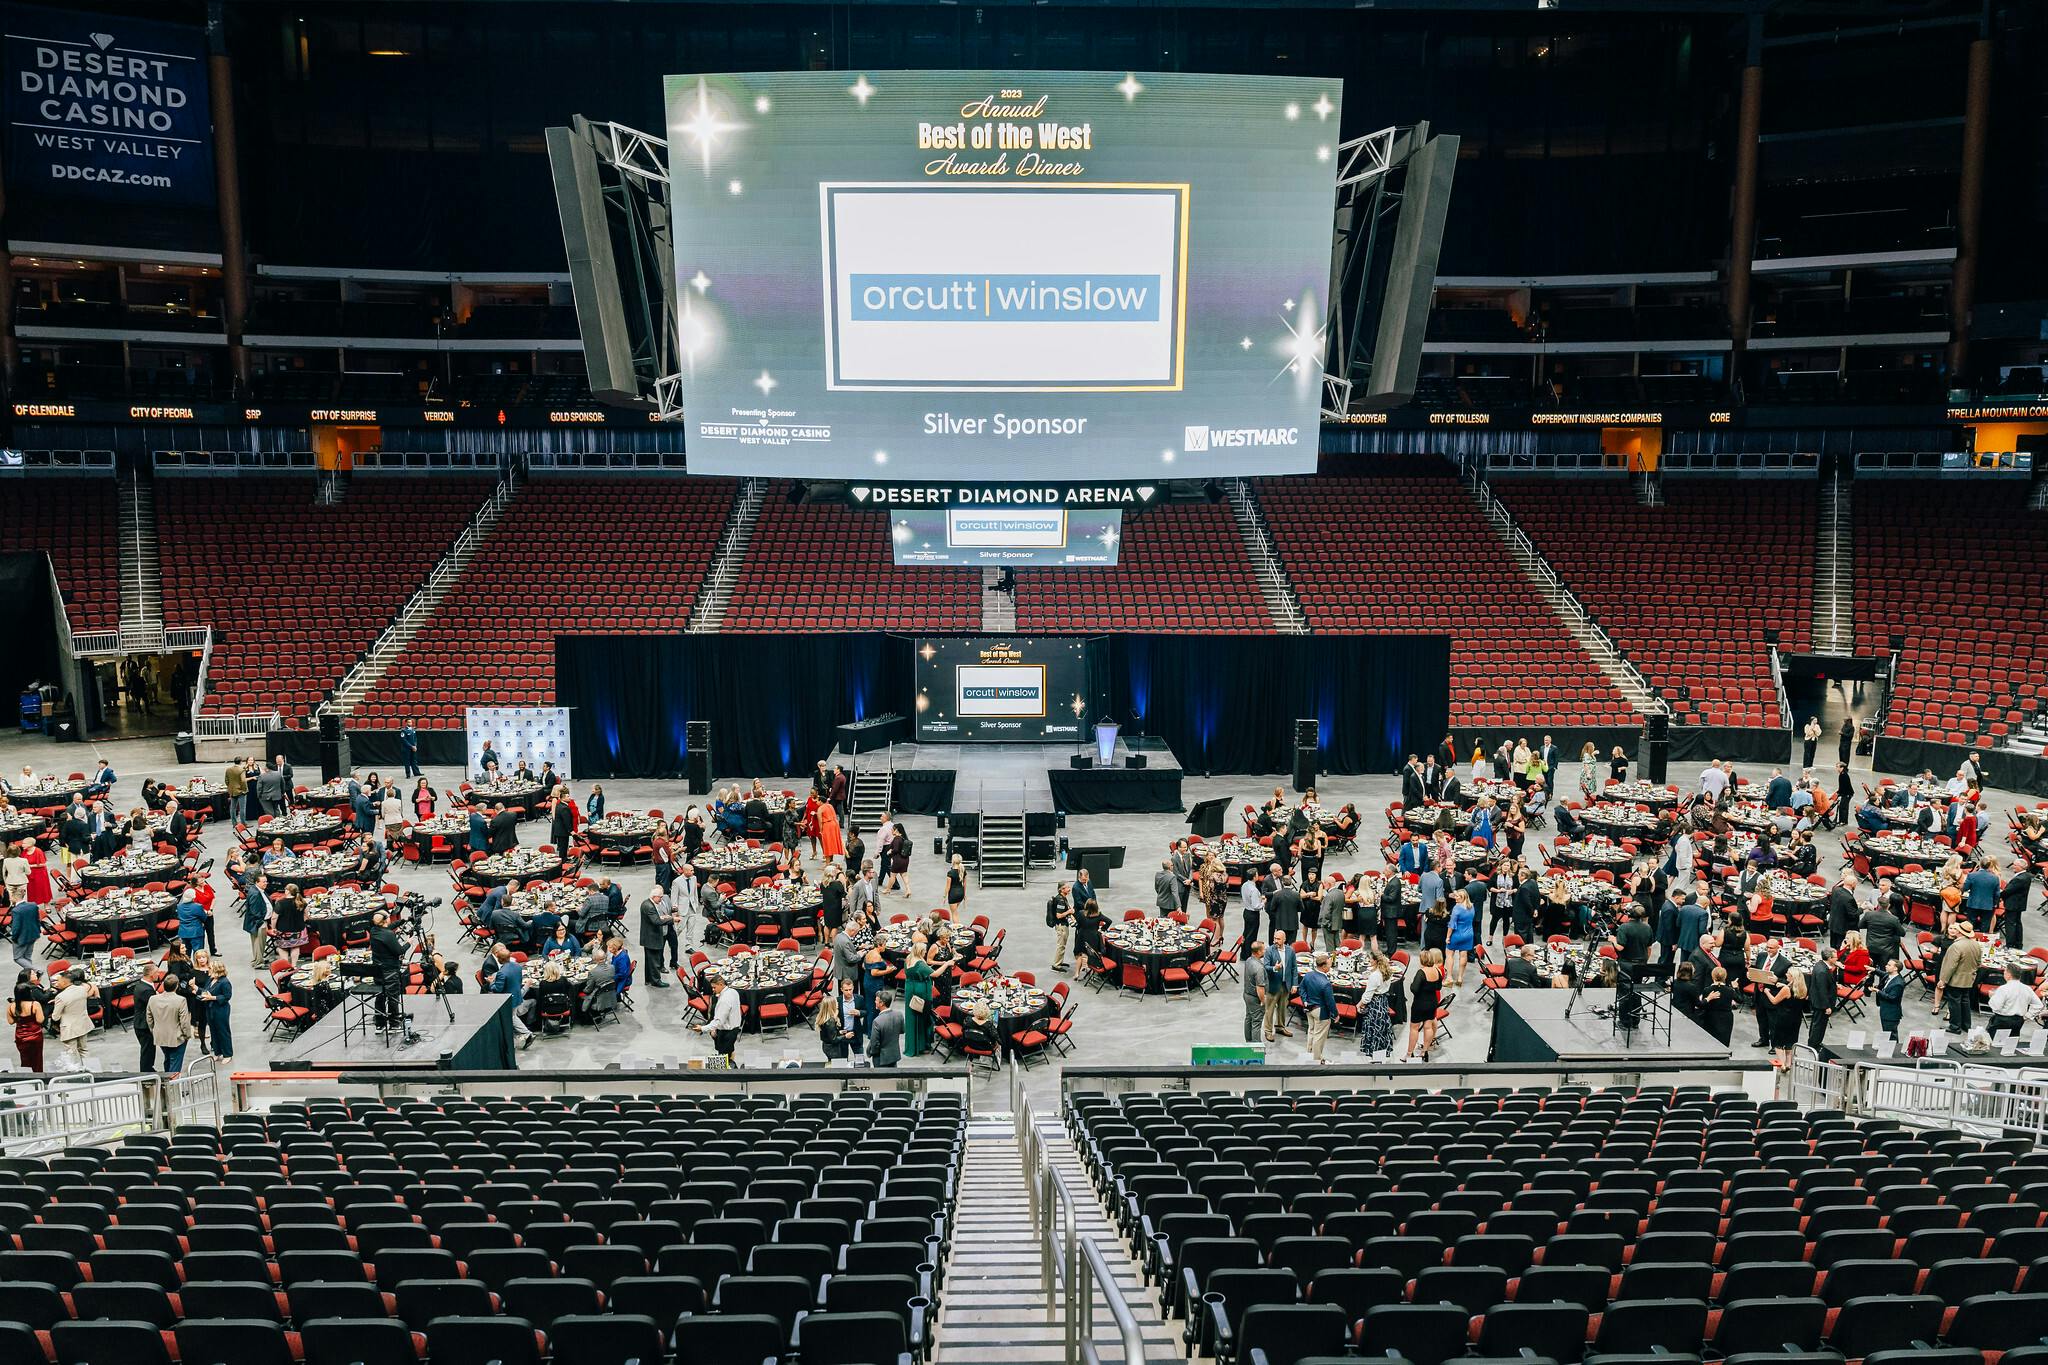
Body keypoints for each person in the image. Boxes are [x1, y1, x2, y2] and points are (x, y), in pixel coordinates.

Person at [1934, 922, 1983, 1035]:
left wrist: (1943, 980)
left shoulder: (1956, 946)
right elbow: (1979, 963)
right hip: (1969, 979)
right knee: (1965, 1001)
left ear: (1960, 932)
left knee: (1954, 1002)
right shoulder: (1976, 944)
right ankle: (1966, 1025)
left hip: (1956, 979)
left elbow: (1950, 965)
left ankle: (1955, 1026)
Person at [49, 969, 98, 1071]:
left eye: (58, 981)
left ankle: (75, 1072)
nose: (56, 983)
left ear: (64, 982)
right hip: (83, 1023)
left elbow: (55, 1017)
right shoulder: (81, 990)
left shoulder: (60, 997)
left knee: (70, 1053)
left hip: (69, 1028)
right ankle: (90, 1070)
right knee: (84, 1049)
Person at [1402, 949, 1444, 1062]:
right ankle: (1424, 1052)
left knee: (1414, 1028)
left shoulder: (1421, 972)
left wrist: (1411, 984)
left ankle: (1409, 1054)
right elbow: (1438, 987)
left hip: (1420, 1003)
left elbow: (1414, 989)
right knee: (1428, 1027)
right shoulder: (1438, 971)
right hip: (1432, 1002)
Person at [1298, 953, 1336, 1063]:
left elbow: (1302, 989)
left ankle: (1309, 1054)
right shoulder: (1326, 983)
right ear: (1323, 967)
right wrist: (1336, 1014)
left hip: (1309, 1009)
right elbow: (1330, 1002)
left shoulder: (1308, 975)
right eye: (1329, 965)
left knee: (1311, 1032)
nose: (1330, 967)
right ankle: (1316, 1060)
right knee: (1319, 1037)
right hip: (1321, 1011)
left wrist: (1305, 1001)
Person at [1987, 964, 2040, 1037]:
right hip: (2018, 1021)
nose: (2004, 973)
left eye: (2005, 971)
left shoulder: (2004, 989)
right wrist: (2027, 1016)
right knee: (2011, 1043)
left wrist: (1992, 997)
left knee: (1995, 1042)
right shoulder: (2027, 989)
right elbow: (2038, 1005)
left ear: (2009, 975)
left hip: (2002, 1020)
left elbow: (1996, 1007)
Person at [8, 976, 46, 1073]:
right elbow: (40, 1020)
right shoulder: (35, 1004)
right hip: (35, 1035)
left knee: (24, 1058)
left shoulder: (12, 1006)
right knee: (37, 1058)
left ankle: (26, 1076)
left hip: (20, 1035)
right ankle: (38, 1077)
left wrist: (20, 1019)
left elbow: (11, 1021)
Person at [638, 887, 674, 987]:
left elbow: (653, 919)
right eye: (660, 898)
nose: (661, 900)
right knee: (655, 961)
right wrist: (672, 919)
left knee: (649, 960)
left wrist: (661, 917)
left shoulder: (646, 903)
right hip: (652, 937)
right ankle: (656, 981)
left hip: (648, 937)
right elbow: (656, 922)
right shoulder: (649, 906)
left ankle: (649, 979)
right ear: (654, 897)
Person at [903, 948, 935, 1057]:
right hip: (921, 992)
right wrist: (947, 964)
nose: (926, 952)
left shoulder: (908, 958)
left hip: (910, 989)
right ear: (920, 951)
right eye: (924, 951)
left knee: (912, 1018)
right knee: (923, 1018)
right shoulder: (920, 964)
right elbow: (935, 974)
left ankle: (917, 1045)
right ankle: (923, 1045)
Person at [1445, 889, 1475, 987]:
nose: (1455, 897)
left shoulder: (1457, 908)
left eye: (1457, 896)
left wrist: (1448, 937)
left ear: (1462, 898)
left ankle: (1449, 977)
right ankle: (1460, 977)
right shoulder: (1471, 907)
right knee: (1463, 955)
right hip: (1468, 934)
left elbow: (1452, 925)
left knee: (1449, 954)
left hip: (1457, 934)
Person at [1698, 965, 1735, 1045]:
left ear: (1712, 976)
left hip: (1710, 1016)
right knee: (1724, 1038)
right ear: (1725, 977)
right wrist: (1736, 988)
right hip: (1726, 1017)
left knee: (1710, 1039)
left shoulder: (1707, 990)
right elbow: (1740, 999)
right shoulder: (1730, 990)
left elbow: (1704, 1005)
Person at [1875, 956, 1909, 1038]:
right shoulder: (1890, 976)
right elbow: (1883, 973)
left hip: (1891, 1014)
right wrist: (1874, 970)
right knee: (1886, 1033)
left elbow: (1891, 997)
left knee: (1891, 1035)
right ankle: (1887, 1048)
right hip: (1885, 1011)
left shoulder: (1898, 983)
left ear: (1895, 969)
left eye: (1889, 965)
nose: (1886, 966)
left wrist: (1878, 991)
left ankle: (1893, 1049)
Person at [867, 989, 904, 1067]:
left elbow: (874, 1044)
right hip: (894, 1056)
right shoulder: (899, 1015)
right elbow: (902, 1031)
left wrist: (872, 1052)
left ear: (882, 1003)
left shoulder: (877, 1021)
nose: (874, 1002)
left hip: (881, 1058)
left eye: (876, 1000)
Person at [1241, 938, 1267, 1044]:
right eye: (1263, 950)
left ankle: (1248, 1041)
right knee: (1256, 1021)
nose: (1265, 951)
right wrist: (1263, 1000)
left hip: (1247, 994)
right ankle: (1256, 1047)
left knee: (1249, 1018)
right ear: (1259, 952)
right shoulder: (1259, 968)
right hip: (1255, 997)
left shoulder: (1248, 960)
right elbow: (1260, 987)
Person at [1047, 882, 1074, 973]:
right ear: (1061, 890)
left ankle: (1060, 961)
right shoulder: (1061, 901)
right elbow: (1059, 915)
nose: (1069, 889)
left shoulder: (1062, 898)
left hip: (1062, 925)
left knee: (1062, 945)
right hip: (1061, 926)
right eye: (1067, 888)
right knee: (1061, 945)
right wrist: (1069, 911)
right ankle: (1056, 965)